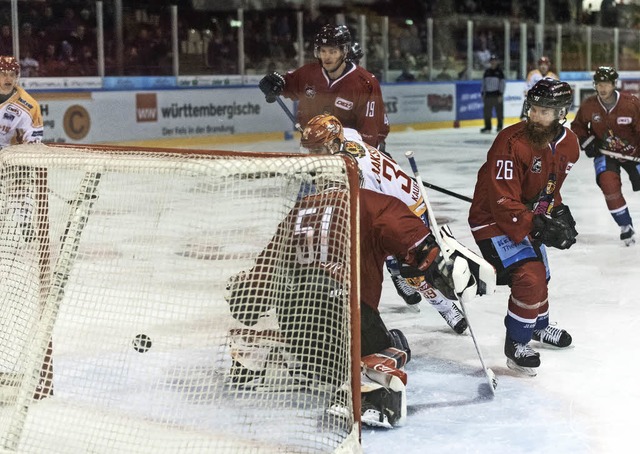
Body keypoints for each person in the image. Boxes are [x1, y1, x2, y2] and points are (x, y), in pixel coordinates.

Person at [226, 172, 469, 427]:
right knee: (396, 345)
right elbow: (422, 251)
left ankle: (262, 356)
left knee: (308, 340)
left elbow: (262, 279)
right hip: (346, 319)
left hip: (295, 326)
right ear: (355, 178)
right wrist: (446, 266)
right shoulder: (372, 202)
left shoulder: (298, 210)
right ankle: (368, 393)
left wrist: (246, 299)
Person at [300, 113, 470, 335]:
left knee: (414, 270)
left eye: (317, 150)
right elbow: (353, 134)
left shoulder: (355, 173)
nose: (312, 156)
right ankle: (395, 268)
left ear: (333, 144)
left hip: (408, 212)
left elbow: (374, 215)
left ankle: (447, 308)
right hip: (400, 199)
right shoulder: (347, 138)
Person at [468, 78, 579, 376]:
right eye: (534, 108)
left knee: (543, 274)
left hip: (528, 216)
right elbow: (503, 202)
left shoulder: (569, 144)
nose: (536, 116)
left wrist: (557, 211)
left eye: (545, 111)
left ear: (561, 113)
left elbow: (549, 187)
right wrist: (540, 226)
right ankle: (516, 344)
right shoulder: (511, 142)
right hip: (492, 219)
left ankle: (537, 327)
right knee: (529, 277)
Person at [258, 24, 389, 150]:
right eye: (323, 51)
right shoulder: (308, 73)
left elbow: (369, 133)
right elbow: (285, 83)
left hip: (350, 150)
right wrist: (274, 83)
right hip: (313, 148)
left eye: (333, 51)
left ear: (345, 51)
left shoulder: (364, 83)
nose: (327, 57)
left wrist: (366, 153)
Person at [570, 66, 640, 246]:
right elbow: (577, 126)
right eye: (599, 84)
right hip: (605, 154)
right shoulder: (589, 105)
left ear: (614, 84)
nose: (602, 88)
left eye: (606, 84)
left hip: (634, 153)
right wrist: (587, 141)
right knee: (608, 183)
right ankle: (625, 226)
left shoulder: (631, 104)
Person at [0, 56, 43, 148]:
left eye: (12, 75)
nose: (8, 79)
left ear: (17, 76)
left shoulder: (30, 105)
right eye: (3, 74)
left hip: (9, 156)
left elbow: (34, 138)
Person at [520, 56, 558, 120]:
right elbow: (526, 89)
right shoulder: (532, 74)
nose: (543, 67)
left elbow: (557, 91)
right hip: (534, 101)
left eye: (545, 65)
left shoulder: (553, 77)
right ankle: (524, 115)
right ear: (538, 65)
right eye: (541, 64)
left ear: (548, 66)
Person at [480, 55, 505, 133]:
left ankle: (499, 127)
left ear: (497, 62)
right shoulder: (487, 72)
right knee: (487, 112)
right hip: (488, 95)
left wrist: (501, 94)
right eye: (492, 61)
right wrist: (482, 93)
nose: (493, 62)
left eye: (495, 60)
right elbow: (483, 83)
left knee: (499, 112)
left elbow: (502, 84)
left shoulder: (500, 72)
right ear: (490, 62)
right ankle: (488, 127)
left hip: (497, 95)